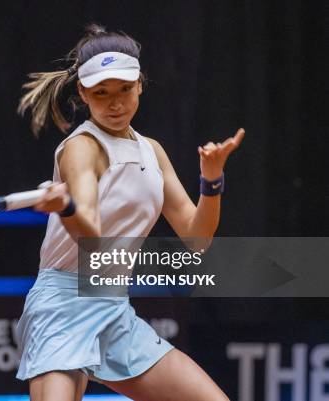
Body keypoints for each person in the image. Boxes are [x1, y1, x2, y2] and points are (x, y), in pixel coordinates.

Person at [15, 25, 244, 401]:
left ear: (140, 84)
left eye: (124, 89)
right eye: (101, 93)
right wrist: (70, 207)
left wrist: (211, 181)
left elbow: (197, 238)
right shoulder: (82, 149)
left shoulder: (151, 152)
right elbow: (89, 230)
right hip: (63, 307)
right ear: (84, 94)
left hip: (113, 307)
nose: (115, 103)